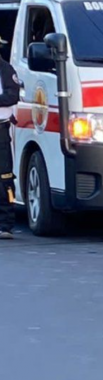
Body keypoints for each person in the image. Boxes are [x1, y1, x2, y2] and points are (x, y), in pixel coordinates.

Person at [0, 36, 20, 239]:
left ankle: (5, 224)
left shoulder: (6, 70)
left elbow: (12, 96)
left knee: (4, 178)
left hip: (0, 131)